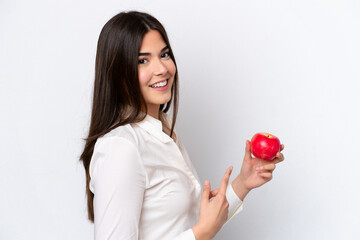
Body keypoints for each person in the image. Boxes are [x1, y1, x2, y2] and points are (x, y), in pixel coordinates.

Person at [79, 11, 285, 240]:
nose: (162, 69)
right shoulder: (121, 147)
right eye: (143, 60)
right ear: (117, 74)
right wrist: (200, 234)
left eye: (164, 54)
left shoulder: (163, 128)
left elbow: (194, 223)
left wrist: (243, 183)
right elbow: (200, 231)